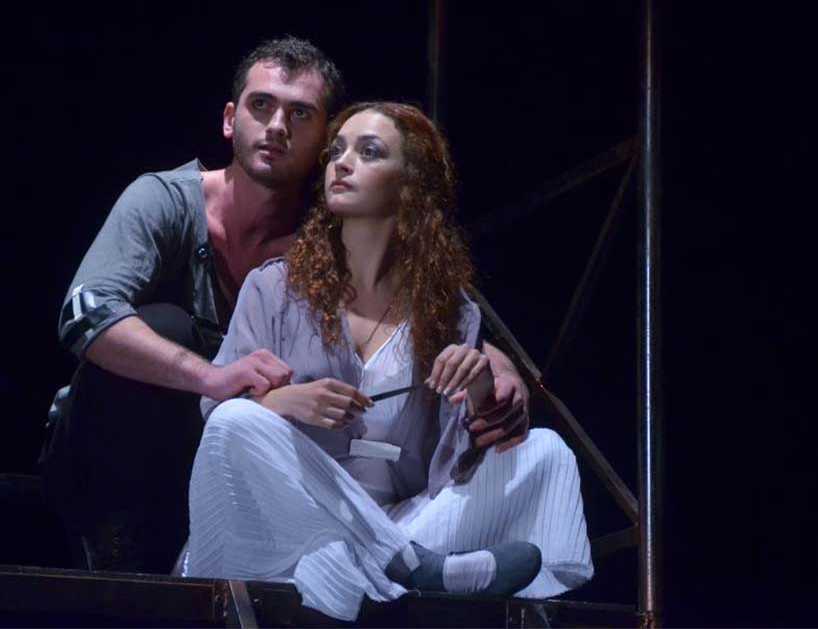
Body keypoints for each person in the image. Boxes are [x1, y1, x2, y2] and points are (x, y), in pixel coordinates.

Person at [42, 37, 531, 575]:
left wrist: (501, 372)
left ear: (324, 137)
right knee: (166, 328)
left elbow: (426, 309)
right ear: (230, 119)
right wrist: (213, 378)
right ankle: (118, 551)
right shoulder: (165, 200)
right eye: (262, 106)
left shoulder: (330, 233)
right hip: (134, 448)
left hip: (247, 463)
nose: (277, 126)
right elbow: (85, 315)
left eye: (300, 114)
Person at [183, 102, 593, 620]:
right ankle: (400, 567)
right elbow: (216, 413)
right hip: (289, 534)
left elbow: (461, 459)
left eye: (369, 151)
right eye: (337, 151)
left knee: (546, 452)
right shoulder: (274, 288)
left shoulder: (449, 312)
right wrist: (282, 402)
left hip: (410, 524)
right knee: (235, 421)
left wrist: (480, 387)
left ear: (410, 184)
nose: (342, 162)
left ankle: (376, 567)